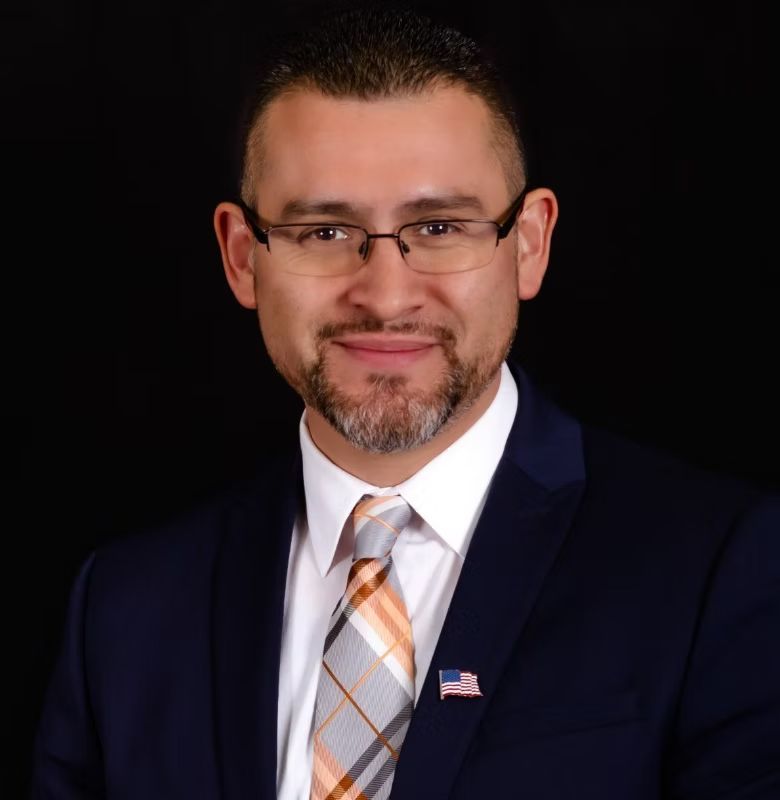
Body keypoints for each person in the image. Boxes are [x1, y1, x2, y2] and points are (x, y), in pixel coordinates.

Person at [32, 5, 779, 799]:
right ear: (242, 257)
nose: (386, 296)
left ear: (528, 243)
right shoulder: (124, 609)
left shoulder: (719, 570)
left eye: (441, 226)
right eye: (324, 231)